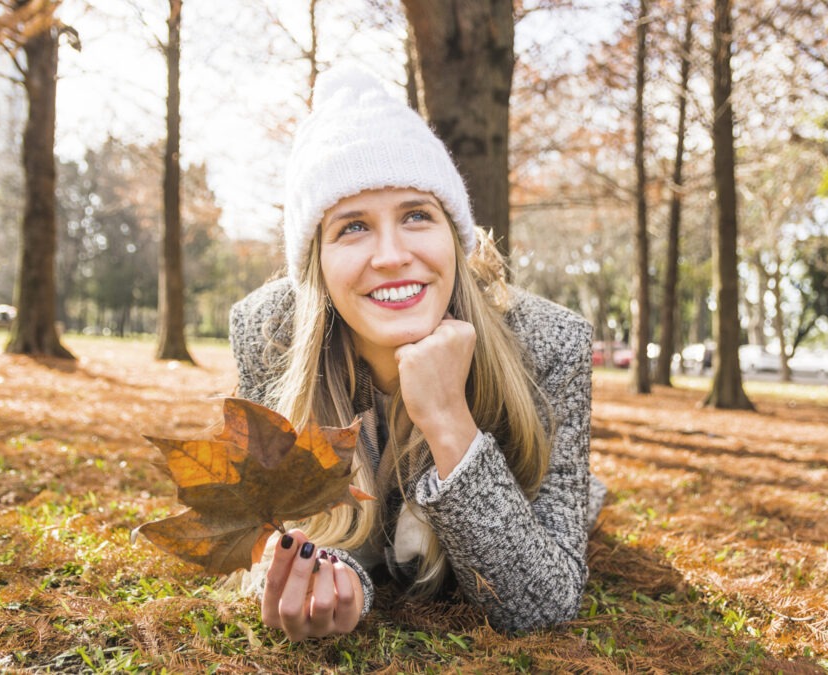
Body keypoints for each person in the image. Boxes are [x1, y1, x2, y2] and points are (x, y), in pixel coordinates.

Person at [229, 65, 607, 640]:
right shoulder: (267, 332)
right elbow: (271, 533)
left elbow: (545, 603)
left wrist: (449, 420)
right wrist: (336, 576)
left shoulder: (550, 343)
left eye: (416, 215)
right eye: (352, 227)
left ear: (453, 235)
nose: (391, 255)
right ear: (316, 264)